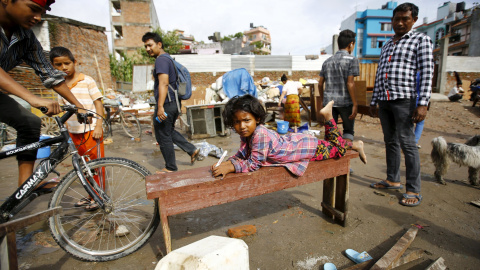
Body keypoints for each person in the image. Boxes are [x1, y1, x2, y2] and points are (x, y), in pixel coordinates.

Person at [0, 0, 85, 188]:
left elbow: (49, 74)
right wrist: (32, 98)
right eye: (33, 9)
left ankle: (27, 184)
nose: (38, 17)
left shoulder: (26, 38)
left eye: (43, 12)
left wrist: (78, 105)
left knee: (30, 123)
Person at [369, 3, 434, 207]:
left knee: (407, 143)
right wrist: (374, 100)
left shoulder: (420, 39)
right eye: (396, 18)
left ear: (413, 20)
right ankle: (392, 180)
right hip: (385, 100)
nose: (399, 22)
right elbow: (381, 74)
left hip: (405, 99)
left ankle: (413, 188)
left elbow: (426, 72)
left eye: (405, 18)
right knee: (390, 141)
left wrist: (422, 103)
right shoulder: (387, 44)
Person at [211, 95, 367, 179]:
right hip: (298, 142)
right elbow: (243, 153)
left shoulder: (259, 134)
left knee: (337, 149)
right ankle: (356, 145)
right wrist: (227, 162)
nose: (242, 126)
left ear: (257, 119)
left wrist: (232, 167)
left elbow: (254, 164)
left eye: (246, 120)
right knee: (332, 145)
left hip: (307, 148)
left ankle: (328, 116)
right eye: (237, 122)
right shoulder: (248, 133)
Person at [50, 46, 105, 211]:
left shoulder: (86, 80)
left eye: (67, 63)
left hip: (91, 131)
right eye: (58, 65)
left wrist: (99, 125)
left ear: (74, 62)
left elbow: (98, 103)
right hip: (73, 133)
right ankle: (90, 195)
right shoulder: (59, 86)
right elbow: (62, 107)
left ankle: (100, 197)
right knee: (83, 167)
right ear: (53, 66)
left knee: (96, 166)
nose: (63, 68)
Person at [142, 32, 200, 173]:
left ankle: (170, 167)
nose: (148, 49)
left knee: (163, 135)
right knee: (167, 131)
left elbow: (164, 83)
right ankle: (192, 150)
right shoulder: (168, 59)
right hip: (173, 103)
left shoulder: (161, 60)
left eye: (150, 45)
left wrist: (160, 106)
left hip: (166, 104)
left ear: (159, 44)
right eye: (145, 46)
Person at [319, 29, 360, 142]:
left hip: (329, 103)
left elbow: (320, 83)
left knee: (330, 132)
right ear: (351, 44)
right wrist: (355, 104)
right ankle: (345, 156)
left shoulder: (327, 61)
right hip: (345, 102)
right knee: (348, 131)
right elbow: (350, 83)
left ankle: (331, 156)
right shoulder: (352, 60)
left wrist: (324, 102)